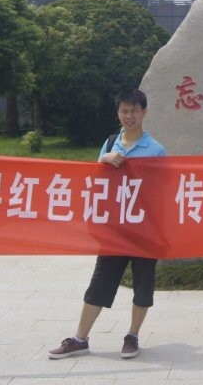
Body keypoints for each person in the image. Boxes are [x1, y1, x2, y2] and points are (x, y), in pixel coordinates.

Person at [49, 89, 167, 360]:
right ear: (118, 113)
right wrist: (103, 160)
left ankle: (132, 335)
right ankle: (80, 338)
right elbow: (94, 180)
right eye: (124, 110)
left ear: (144, 112)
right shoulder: (110, 143)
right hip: (114, 229)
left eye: (134, 110)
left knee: (143, 286)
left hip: (144, 231)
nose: (129, 116)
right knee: (101, 282)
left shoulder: (156, 149)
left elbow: (162, 191)